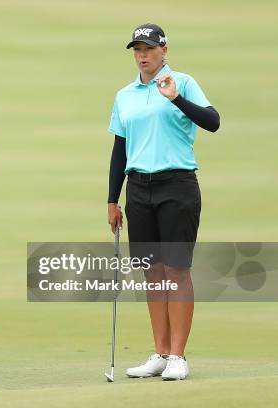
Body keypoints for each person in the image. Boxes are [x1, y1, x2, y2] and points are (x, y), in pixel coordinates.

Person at [107, 23, 220, 381]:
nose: (142, 55)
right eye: (137, 49)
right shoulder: (125, 94)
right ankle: (158, 352)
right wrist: (113, 198)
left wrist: (175, 99)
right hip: (138, 189)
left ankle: (177, 356)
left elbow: (212, 122)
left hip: (177, 185)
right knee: (152, 272)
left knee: (176, 270)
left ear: (163, 50)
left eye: (149, 49)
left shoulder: (182, 83)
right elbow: (119, 149)